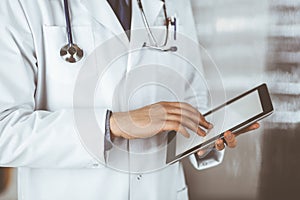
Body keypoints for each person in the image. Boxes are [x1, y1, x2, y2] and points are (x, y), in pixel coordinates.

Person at [0, 0, 259, 200]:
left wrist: (201, 138)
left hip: (161, 191)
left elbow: (192, 94)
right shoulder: (22, 5)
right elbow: (5, 131)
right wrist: (114, 125)